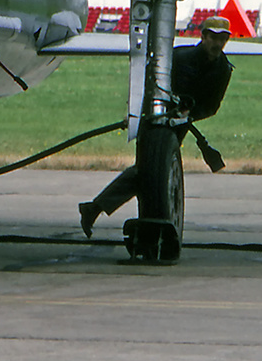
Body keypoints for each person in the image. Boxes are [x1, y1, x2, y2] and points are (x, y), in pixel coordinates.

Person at [78, 15, 234, 238]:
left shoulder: (223, 70)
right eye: (213, 38)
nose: (218, 44)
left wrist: (189, 113)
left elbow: (212, 106)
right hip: (153, 118)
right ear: (203, 36)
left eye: (222, 39)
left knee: (148, 170)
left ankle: (95, 208)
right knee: (149, 170)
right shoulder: (179, 58)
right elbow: (148, 83)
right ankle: (96, 208)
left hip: (179, 126)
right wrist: (136, 113)